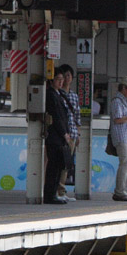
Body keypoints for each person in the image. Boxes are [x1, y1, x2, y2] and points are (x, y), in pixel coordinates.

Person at [44, 73, 71, 204]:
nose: (61, 82)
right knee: (53, 166)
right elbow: (57, 116)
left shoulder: (59, 94)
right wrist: (64, 133)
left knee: (57, 166)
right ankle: (50, 195)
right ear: (52, 80)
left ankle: (53, 193)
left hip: (59, 135)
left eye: (62, 79)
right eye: (58, 79)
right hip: (55, 136)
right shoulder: (51, 95)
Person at [56, 64, 80, 202]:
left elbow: (77, 115)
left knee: (67, 164)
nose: (66, 78)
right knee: (60, 163)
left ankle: (62, 189)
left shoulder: (74, 96)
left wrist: (78, 133)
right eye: (64, 76)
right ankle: (58, 190)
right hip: (62, 134)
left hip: (72, 133)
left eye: (69, 76)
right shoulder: (58, 94)